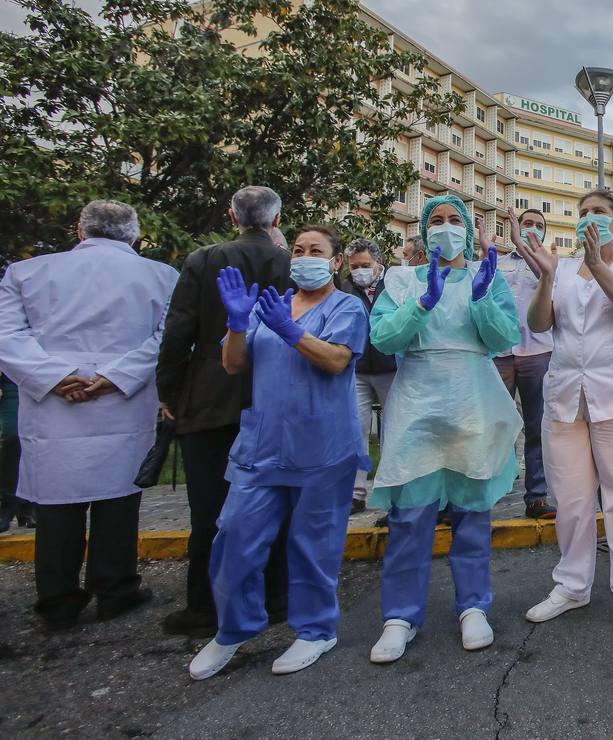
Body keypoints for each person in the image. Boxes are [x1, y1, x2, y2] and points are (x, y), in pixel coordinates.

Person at [188, 224, 368, 680]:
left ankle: (315, 630)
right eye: (300, 249)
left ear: (335, 261)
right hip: (263, 446)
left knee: (312, 546)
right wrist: (234, 323)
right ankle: (232, 629)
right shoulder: (269, 305)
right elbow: (233, 363)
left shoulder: (346, 306)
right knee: (233, 538)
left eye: (317, 250)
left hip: (323, 448)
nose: (306, 256)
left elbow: (336, 360)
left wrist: (290, 331)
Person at [0, 201, 178, 629]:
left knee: (56, 505)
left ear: (80, 230)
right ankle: (115, 588)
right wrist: (114, 377)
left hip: (52, 403)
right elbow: (167, 338)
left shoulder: (27, 273)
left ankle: (58, 599)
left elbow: (7, 334)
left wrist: (56, 376)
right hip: (121, 399)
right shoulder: (161, 275)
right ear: (134, 235)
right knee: (118, 497)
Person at [364, 195, 521, 662]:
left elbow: (503, 339)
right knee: (410, 515)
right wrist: (423, 303)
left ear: (470, 232)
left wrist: (481, 301)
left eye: (455, 220)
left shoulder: (485, 277)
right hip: (417, 402)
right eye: (437, 219)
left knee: (472, 513)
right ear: (424, 229)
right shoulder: (399, 279)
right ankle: (399, 616)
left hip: (472, 398)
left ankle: (474, 606)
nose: (446, 227)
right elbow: (384, 337)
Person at [518, 189, 613, 636]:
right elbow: (540, 324)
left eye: (599, 213)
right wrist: (545, 279)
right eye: (583, 214)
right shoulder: (560, 269)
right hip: (566, 398)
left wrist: (599, 266)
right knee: (572, 501)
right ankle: (571, 586)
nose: (589, 219)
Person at [156, 186, 292, 638]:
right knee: (273, 501)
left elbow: (178, 332)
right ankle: (275, 597)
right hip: (273, 395)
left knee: (209, 508)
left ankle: (204, 605)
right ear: (277, 219)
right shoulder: (288, 262)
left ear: (232, 217)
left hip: (210, 397)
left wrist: (169, 392)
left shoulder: (203, 260)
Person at [494, 208, 556, 520]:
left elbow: (546, 280)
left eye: (539, 225)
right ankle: (492, 490)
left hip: (538, 354)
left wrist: (523, 243)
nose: (533, 228)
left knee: (536, 427)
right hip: (500, 354)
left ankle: (537, 497)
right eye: (527, 223)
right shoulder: (499, 263)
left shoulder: (550, 261)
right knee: (497, 426)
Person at [340, 238, 397, 514]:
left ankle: (390, 493)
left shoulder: (395, 283)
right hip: (358, 368)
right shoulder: (345, 287)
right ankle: (356, 494)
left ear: (378, 262)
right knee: (355, 431)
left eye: (365, 265)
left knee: (393, 431)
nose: (359, 270)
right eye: (354, 266)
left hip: (391, 367)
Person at [1, 371, 37, 533]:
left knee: (33, 441)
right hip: (7, 379)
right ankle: (8, 505)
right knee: (12, 437)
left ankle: (27, 505)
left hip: (34, 375)